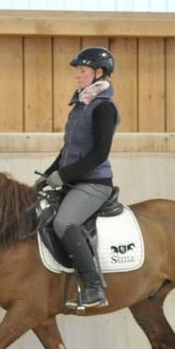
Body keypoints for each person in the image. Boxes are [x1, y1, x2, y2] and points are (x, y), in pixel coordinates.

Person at [35, 46, 120, 310]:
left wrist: (65, 175)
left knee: (63, 222)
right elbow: (68, 150)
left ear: (98, 73)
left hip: (94, 183)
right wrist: (48, 175)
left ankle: (94, 287)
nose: (78, 76)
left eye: (82, 71)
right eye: (78, 71)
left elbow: (98, 154)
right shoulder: (80, 106)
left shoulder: (103, 108)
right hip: (72, 180)